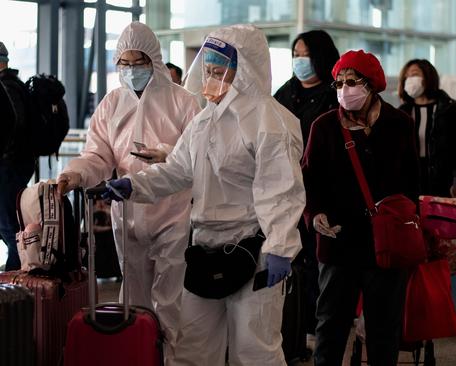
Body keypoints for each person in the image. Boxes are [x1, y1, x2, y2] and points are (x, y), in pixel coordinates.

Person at [103, 24, 305, 366]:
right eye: (207, 69)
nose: (210, 77)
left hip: (254, 250)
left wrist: (281, 247)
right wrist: (134, 186)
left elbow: (280, 190)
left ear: (244, 71)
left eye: (218, 70)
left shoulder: (270, 122)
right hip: (205, 247)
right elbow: (178, 170)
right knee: (192, 349)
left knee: (253, 351)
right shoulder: (204, 122)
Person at [56, 22, 200, 357]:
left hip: (172, 213)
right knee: (133, 298)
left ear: (154, 60)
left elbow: (196, 155)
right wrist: (75, 175)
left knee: (169, 300)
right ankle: (137, 355)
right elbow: (97, 154)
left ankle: (171, 360)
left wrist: (167, 154)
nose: (131, 69)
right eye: (125, 62)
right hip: (127, 214)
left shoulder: (183, 102)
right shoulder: (111, 104)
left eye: (138, 62)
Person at [302, 50, 419, 366]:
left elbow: (412, 181)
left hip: (386, 243)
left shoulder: (399, 124)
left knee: (384, 329)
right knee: (330, 327)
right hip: (338, 239)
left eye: (352, 82)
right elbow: (309, 180)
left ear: (371, 85)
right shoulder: (324, 126)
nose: (344, 90)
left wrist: (409, 222)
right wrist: (314, 215)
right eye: (339, 82)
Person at [273, 29, 339, 354]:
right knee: (290, 259)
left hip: (319, 191)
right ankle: (292, 328)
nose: (299, 60)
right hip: (284, 190)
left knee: (317, 261)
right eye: (295, 54)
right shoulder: (286, 92)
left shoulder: (334, 94)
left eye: (305, 54)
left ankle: (315, 328)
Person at [397, 59, 456, 198]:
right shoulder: (402, 112)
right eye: (406, 77)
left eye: (414, 74)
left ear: (428, 76)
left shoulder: (450, 109)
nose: (409, 79)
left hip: (445, 181)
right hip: (410, 182)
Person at [0, 41, 36, 271]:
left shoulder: (8, 87)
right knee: (8, 222)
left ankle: (16, 277)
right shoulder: (17, 85)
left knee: (8, 225)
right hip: (16, 164)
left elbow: (13, 123)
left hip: (9, 165)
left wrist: (4, 155)